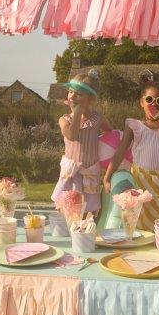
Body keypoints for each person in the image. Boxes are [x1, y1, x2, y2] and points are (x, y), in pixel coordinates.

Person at [103, 79, 159, 230]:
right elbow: (120, 152)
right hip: (140, 179)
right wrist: (107, 178)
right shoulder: (135, 126)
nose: (154, 104)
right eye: (149, 99)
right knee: (139, 218)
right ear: (142, 102)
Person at [51, 70, 111, 214]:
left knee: (88, 214)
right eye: (71, 92)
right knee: (70, 212)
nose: (72, 96)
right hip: (72, 174)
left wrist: (104, 152)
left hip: (90, 172)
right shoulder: (64, 120)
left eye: (78, 94)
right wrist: (78, 112)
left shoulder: (97, 118)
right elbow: (72, 135)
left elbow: (110, 134)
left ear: (90, 98)